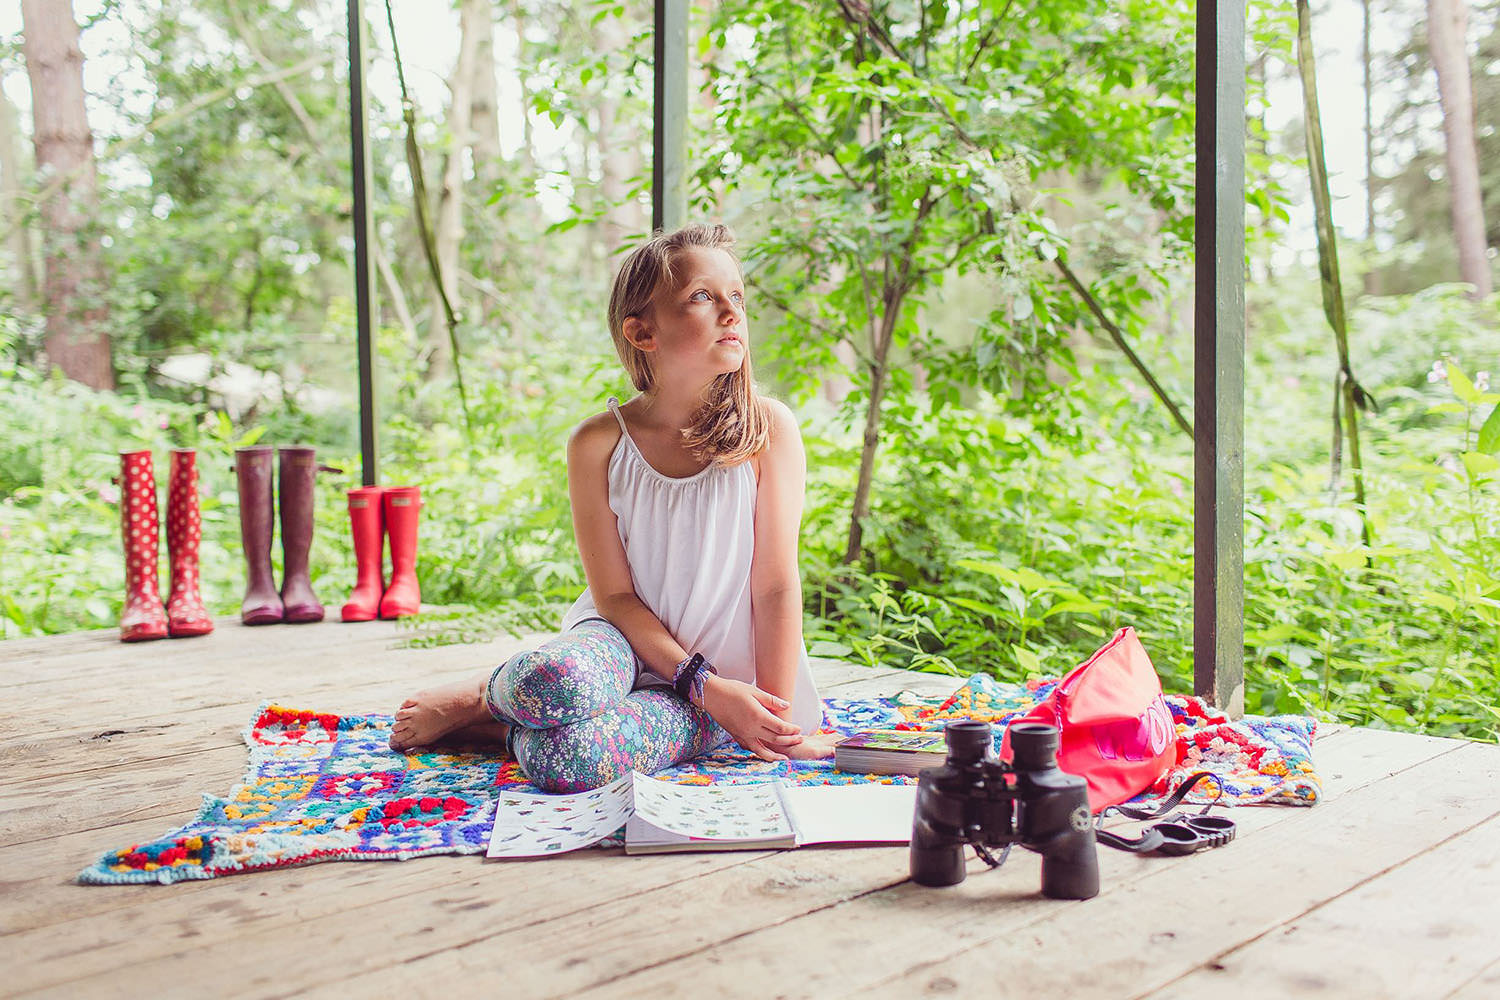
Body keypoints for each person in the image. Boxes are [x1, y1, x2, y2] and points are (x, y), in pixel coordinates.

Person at [388, 223, 838, 791]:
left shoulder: (768, 428)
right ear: (642, 332)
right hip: (622, 645)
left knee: (567, 761)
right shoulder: (598, 443)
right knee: (550, 679)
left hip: (722, 688)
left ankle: (496, 727)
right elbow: (616, 597)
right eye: (703, 296)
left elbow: (774, 584)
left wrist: (772, 716)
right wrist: (699, 681)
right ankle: (485, 693)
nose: (731, 312)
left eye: (737, 297)